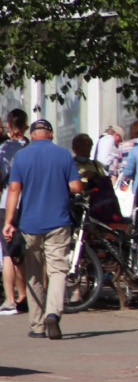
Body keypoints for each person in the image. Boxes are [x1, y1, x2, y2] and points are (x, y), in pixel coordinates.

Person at [2, 119, 84, 339]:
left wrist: (9, 222)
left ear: (32, 134)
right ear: (50, 134)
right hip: (58, 222)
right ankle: (53, 313)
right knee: (58, 271)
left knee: (34, 275)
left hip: (30, 224)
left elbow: (14, 190)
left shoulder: (22, 156)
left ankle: (37, 326)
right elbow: (76, 186)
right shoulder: (63, 155)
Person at [0, 109, 29, 316]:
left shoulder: (2, 149)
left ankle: (10, 300)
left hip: (5, 202)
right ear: (26, 125)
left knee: (9, 252)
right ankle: (26, 296)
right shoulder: (31, 147)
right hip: (28, 203)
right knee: (28, 251)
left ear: (9, 126)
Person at [72, 134, 125, 224]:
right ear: (75, 149)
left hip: (97, 208)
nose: (87, 150)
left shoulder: (96, 165)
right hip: (78, 208)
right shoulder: (70, 165)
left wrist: (95, 176)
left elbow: (105, 183)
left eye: (89, 146)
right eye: (84, 147)